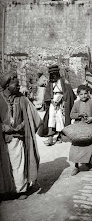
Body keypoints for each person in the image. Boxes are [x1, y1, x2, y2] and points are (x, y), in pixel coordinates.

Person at [0, 71, 42, 199]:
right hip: (3, 139)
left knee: (19, 162)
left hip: (18, 138)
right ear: (7, 85)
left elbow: (32, 117)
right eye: (16, 85)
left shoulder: (22, 99)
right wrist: (3, 127)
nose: (18, 87)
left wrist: (23, 125)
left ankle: (21, 190)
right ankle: (6, 189)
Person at [69, 85, 92, 175]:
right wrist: (79, 115)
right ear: (78, 95)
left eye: (85, 94)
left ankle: (88, 164)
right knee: (77, 146)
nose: (83, 96)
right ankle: (76, 166)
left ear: (88, 94)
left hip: (89, 128)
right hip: (79, 127)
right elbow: (71, 115)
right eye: (81, 94)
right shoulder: (76, 103)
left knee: (89, 146)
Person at [43, 64, 76, 146]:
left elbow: (68, 92)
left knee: (60, 118)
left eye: (55, 73)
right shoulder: (50, 82)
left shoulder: (63, 81)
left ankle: (60, 136)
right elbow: (47, 93)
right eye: (52, 73)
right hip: (52, 102)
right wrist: (51, 100)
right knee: (51, 118)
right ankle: (50, 137)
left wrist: (61, 99)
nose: (53, 75)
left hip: (62, 102)